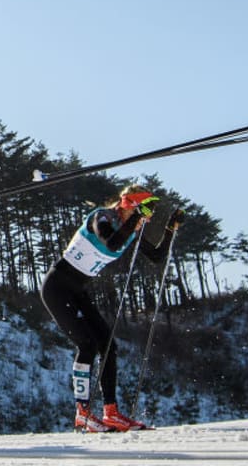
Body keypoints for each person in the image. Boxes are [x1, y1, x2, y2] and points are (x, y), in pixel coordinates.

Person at [40, 185, 184, 432]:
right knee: (87, 345)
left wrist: (171, 228)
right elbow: (111, 241)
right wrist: (138, 217)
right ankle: (82, 414)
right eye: (145, 210)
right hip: (57, 287)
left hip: (77, 290)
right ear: (130, 205)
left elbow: (157, 256)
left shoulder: (131, 230)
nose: (148, 217)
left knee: (108, 346)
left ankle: (111, 413)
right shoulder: (102, 217)